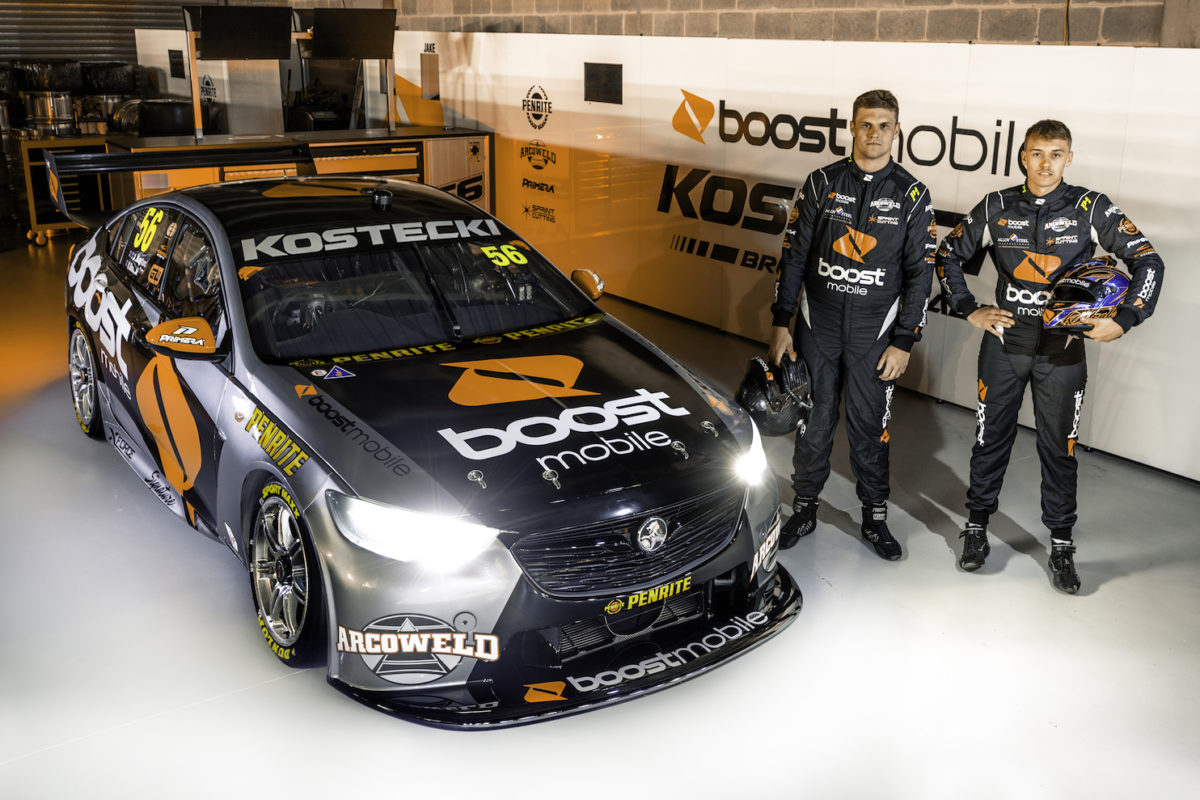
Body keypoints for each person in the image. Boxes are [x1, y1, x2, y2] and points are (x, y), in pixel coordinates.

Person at [935, 119, 1163, 593]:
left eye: (1056, 154)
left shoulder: (1090, 206)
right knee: (989, 440)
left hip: (1064, 351)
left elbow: (1148, 260)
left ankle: (1061, 544)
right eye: (1037, 153)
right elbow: (948, 253)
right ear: (1023, 156)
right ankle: (976, 528)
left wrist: (1126, 318)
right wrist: (968, 307)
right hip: (1005, 345)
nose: (1045, 163)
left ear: (1069, 158)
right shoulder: (996, 205)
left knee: (1059, 451)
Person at [768, 89, 935, 560]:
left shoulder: (913, 194)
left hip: (874, 335)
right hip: (816, 326)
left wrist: (905, 340)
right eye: (866, 124)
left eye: (884, 125)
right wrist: (781, 321)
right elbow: (793, 255)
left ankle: (874, 517)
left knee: (869, 428)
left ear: (897, 131)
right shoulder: (822, 181)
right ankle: (804, 507)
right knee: (813, 423)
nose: (874, 133)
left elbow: (921, 274)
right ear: (852, 128)